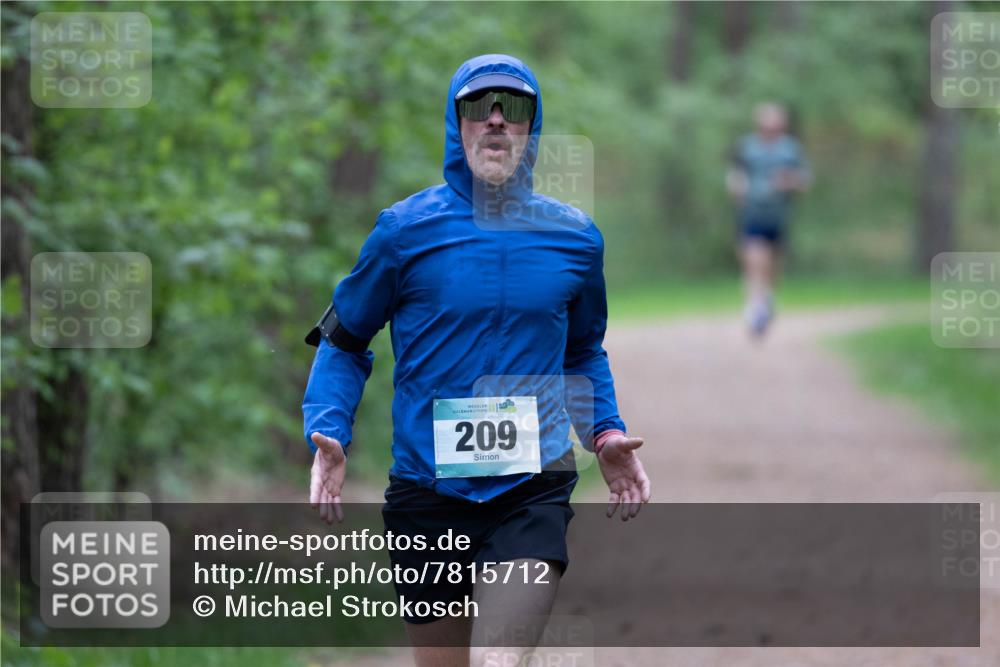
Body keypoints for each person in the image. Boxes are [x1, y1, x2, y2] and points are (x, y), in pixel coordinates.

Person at [302, 54, 651, 667]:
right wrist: (329, 426)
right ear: (455, 123)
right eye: (478, 108)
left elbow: (582, 350)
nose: (495, 121)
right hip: (426, 490)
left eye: (512, 109)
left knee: (499, 660)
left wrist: (605, 432)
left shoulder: (575, 238)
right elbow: (344, 338)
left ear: (531, 126)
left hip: (530, 488)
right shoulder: (402, 232)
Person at [726, 102, 812, 337]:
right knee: (754, 262)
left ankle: (766, 299)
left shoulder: (790, 149)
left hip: (779, 218)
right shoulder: (747, 147)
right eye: (766, 125)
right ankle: (755, 309)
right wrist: (737, 187)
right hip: (752, 213)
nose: (770, 129)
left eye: (774, 125)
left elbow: (805, 180)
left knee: (772, 269)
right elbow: (736, 174)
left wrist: (789, 181)